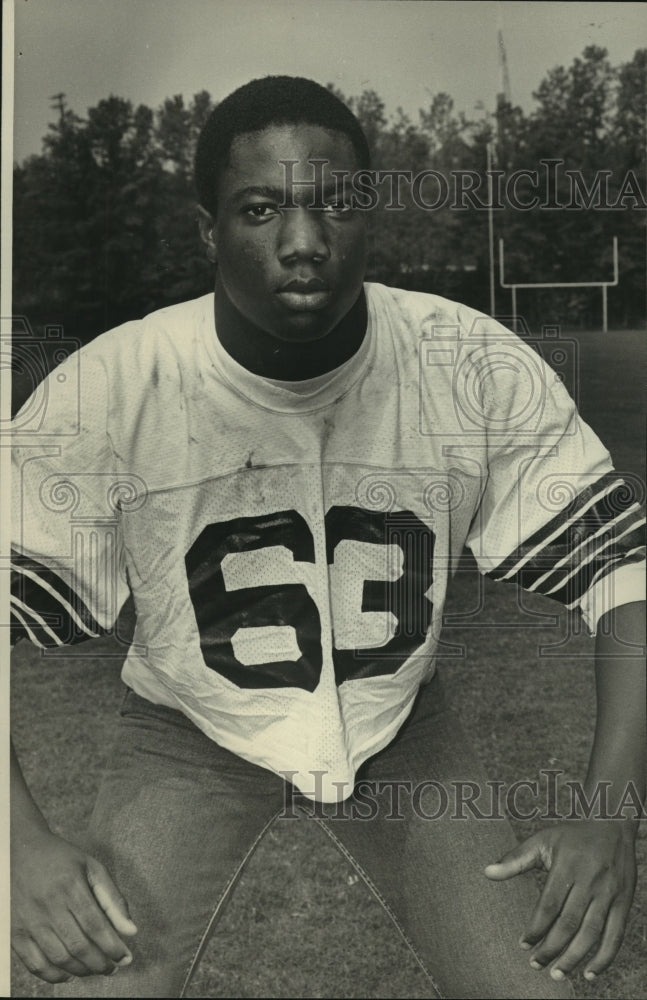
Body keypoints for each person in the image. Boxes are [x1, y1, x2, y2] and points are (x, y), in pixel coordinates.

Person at [9, 76, 645, 999]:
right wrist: (15, 844)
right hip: (189, 729)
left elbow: (625, 572)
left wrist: (609, 812)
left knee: (533, 988)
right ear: (207, 230)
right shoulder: (112, 386)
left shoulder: (464, 362)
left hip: (400, 724)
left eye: (336, 205)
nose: (303, 244)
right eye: (260, 209)